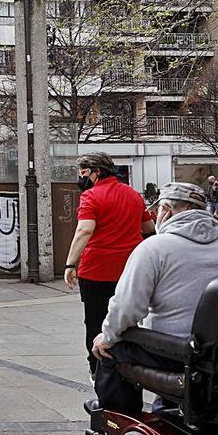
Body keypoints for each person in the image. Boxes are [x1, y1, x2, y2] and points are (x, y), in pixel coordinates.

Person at [91, 182, 218, 413]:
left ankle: (115, 415)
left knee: (112, 348)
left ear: (166, 211)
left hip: (176, 351)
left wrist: (107, 337)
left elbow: (127, 308)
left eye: (157, 211)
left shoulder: (154, 248)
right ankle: (168, 406)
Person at [65, 152, 155, 377]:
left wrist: (70, 264)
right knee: (128, 318)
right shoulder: (133, 195)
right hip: (130, 269)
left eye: (84, 174)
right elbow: (149, 229)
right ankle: (127, 365)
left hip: (97, 270)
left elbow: (84, 230)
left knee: (95, 320)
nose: (82, 179)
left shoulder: (91, 196)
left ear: (97, 172)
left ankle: (98, 368)